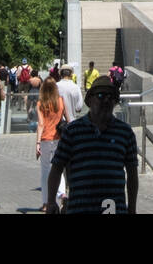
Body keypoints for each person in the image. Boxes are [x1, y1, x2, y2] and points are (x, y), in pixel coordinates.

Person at [46, 76, 138, 215]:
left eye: (110, 96)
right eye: (100, 95)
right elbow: (57, 168)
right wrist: (51, 201)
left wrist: (132, 209)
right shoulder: (73, 131)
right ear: (90, 100)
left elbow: (132, 174)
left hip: (113, 208)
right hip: (80, 207)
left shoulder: (125, 132)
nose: (106, 100)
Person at [36, 76, 66, 210]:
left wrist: (37, 143)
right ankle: (63, 194)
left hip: (46, 139)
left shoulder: (40, 103)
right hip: (59, 138)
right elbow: (65, 119)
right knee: (59, 168)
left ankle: (46, 202)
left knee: (45, 170)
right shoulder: (60, 101)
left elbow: (41, 124)